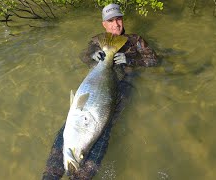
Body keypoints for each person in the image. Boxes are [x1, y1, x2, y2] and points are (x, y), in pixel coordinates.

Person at [42, 3, 158, 180]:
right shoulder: (97, 40)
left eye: (118, 19)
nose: (116, 24)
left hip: (122, 89)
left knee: (103, 130)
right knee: (69, 129)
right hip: (96, 89)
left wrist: (131, 59)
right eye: (110, 21)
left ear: (122, 19)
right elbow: (84, 56)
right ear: (104, 24)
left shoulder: (135, 41)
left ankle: (81, 177)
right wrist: (92, 57)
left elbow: (154, 61)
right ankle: (51, 175)